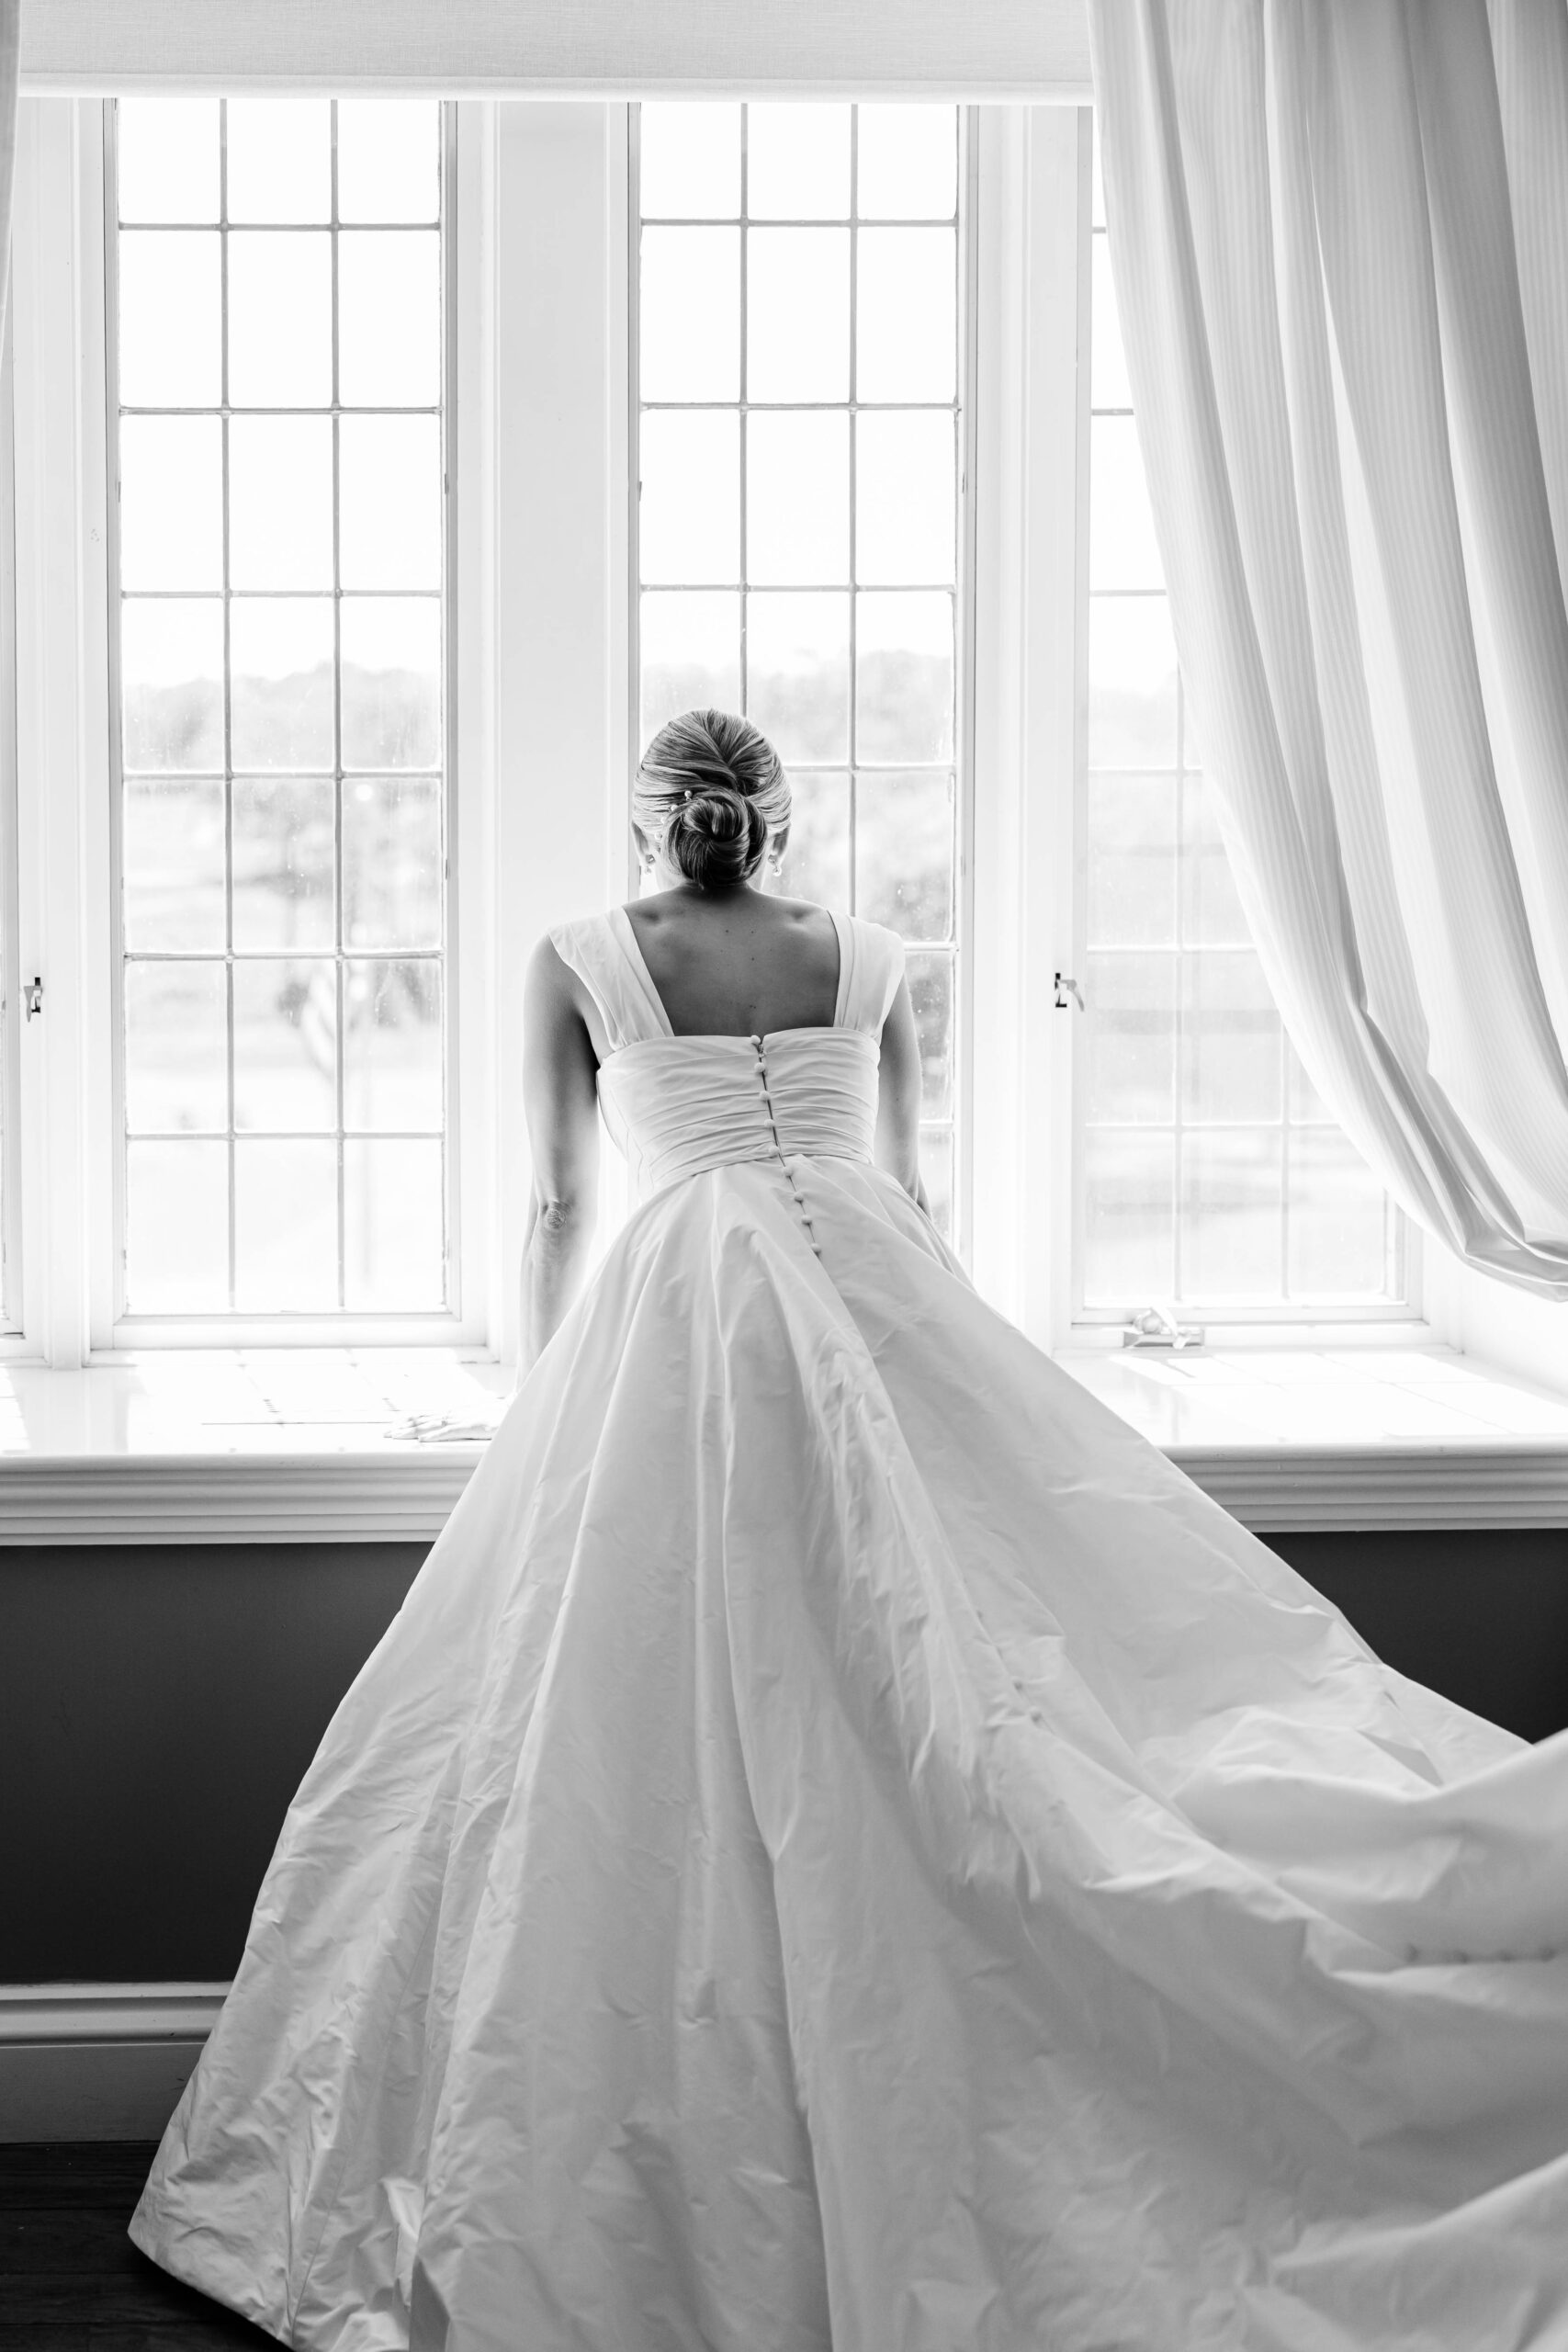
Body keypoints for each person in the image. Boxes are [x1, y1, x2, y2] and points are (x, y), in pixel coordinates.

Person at [132, 710, 1568, 2351]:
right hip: (861, 1302)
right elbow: (911, 1193)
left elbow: (552, 1205)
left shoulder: (590, 955)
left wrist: (542, 1402)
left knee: (679, 1700)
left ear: (658, 820)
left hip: (689, 1317)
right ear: (770, 822)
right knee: (911, 1673)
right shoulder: (865, 954)